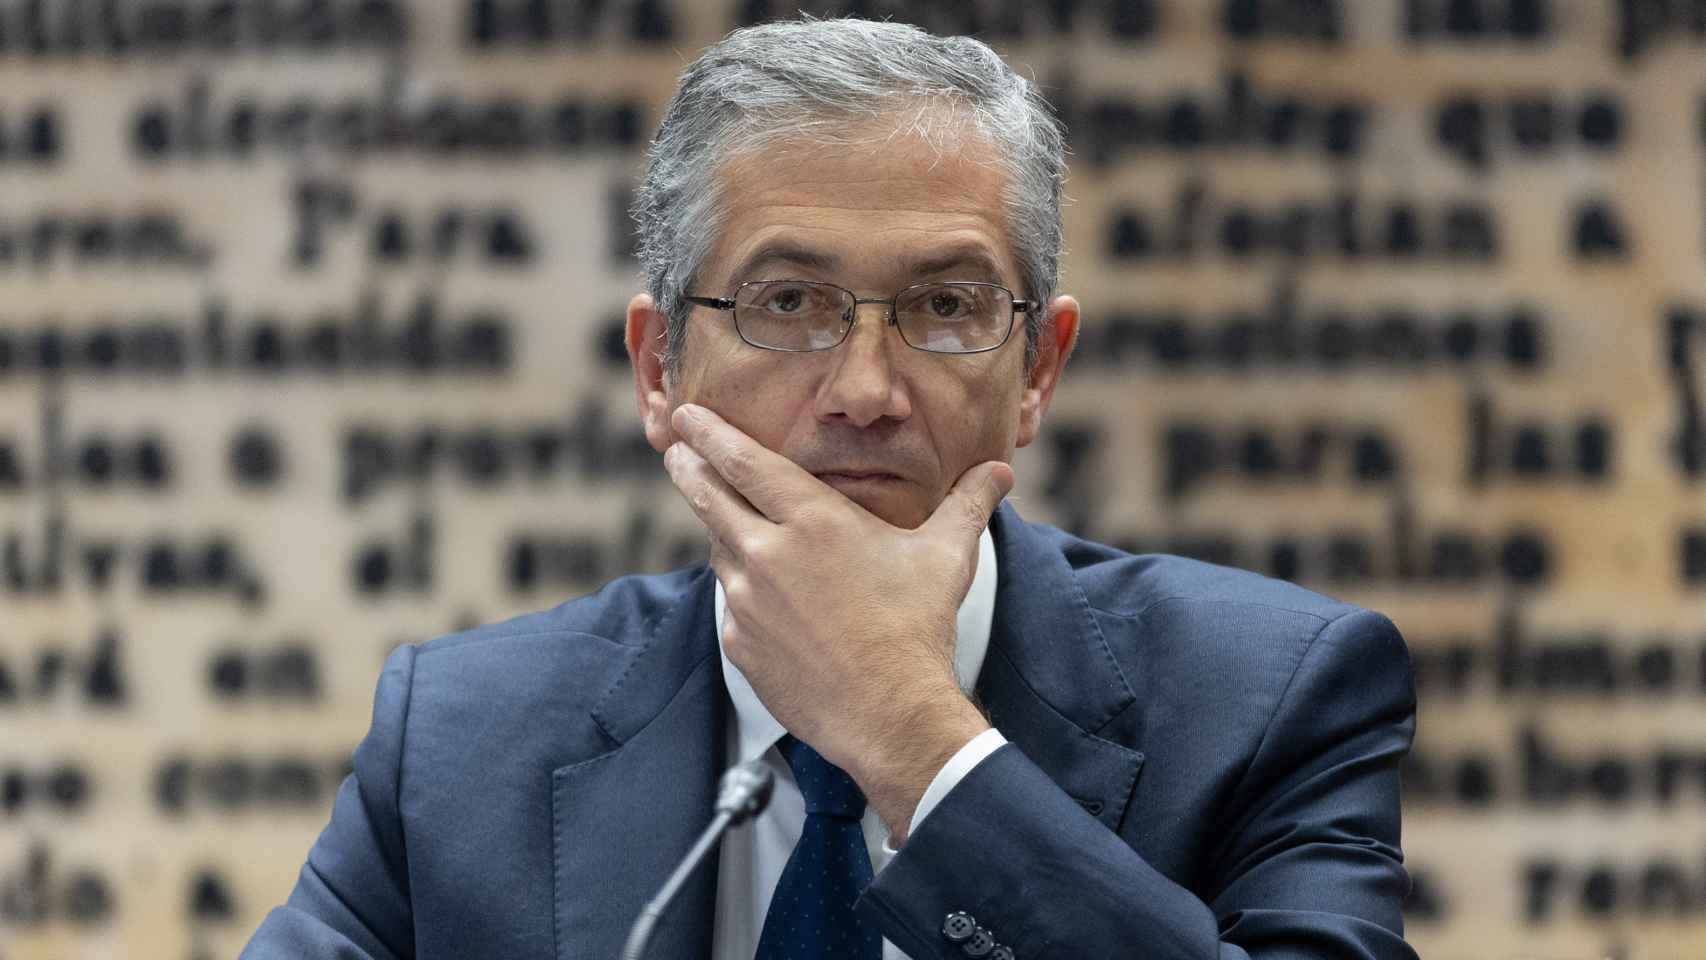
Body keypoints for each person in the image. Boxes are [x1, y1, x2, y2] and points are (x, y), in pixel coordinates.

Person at [241, 17, 1417, 960]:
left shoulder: (1272, 698)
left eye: (944, 306)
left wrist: (911, 736)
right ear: (658, 369)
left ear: (1036, 372)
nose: (864, 391)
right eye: (787, 303)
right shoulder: (457, 736)